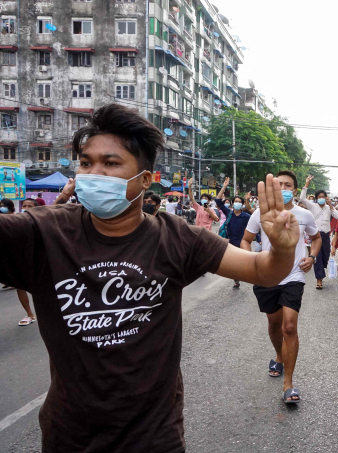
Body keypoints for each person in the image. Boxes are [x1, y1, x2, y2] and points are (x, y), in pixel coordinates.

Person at [0, 103, 302, 452]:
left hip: (155, 437)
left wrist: (281, 249)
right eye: (86, 163)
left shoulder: (176, 237)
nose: (94, 174)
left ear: (144, 180)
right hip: (69, 437)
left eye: (111, 164)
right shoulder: (41, 232)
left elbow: (262, 272)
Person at [241, 170, 321, 404]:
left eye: (288, 185)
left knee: (289, 326)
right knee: (274, 323)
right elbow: (246, 240)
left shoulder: (304, 214)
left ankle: (289, 383)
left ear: (295, 190)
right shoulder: (259, 213)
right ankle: (278, 354)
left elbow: (316, 239)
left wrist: (312, 258)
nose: (283, 188)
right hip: (266, 276)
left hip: (294, 275)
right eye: (280, 184)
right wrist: (251, 263)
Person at [1, 198, 38, 326]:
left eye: (30, 206)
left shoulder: (42, 222)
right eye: (25, 205)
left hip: (38, 260)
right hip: (21, 259)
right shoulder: (16, 221)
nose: (26, 208)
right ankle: (30, 314)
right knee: (20, 288)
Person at [300, 175, 338, 290]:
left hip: (326, 236)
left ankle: (321, 272)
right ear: (317, 198)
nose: (322, 198)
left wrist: (331, 205)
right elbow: (302, 198)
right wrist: (306, 184)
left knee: (325, 257)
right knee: (317, 257)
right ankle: (319, 280)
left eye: (323, 196)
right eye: (320, 196)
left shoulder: (328, 208)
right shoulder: (312, 206)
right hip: (316, 236)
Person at [215, 176, 251, 289]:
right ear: (232, 203)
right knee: (233, 264)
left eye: (239, 202)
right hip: (229, 243)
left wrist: (258, 239)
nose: (237, 203)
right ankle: (236, 279)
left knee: (240, 263)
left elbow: (252, 229)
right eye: (236, 201)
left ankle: (239, 275)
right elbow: (217, 201)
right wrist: (224, 186)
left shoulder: (246, 216)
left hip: (241, 243)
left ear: (242, 204)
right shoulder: (229, 213)